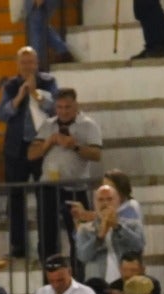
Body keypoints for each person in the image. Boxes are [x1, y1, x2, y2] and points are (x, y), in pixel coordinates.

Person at [28, 88, 102, 272]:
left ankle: (78, 278)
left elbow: (96, 154)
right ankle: (49, 278)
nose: (63, 111)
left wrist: (74, 145)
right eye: (59, 107)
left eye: (67, 107)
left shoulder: (88, 125)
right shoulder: (48, 125)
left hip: (75, 188)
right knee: (47, 237)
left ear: (76, 105)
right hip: (48, 187)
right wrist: (49, 142)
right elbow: (31, 155)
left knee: (78, 235)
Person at [0, 47, 56, 260]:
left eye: (31, 62)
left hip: (42, 146)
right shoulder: (11, 85)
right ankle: (18, 246)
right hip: (16, 148)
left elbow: (55, 108)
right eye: (24, 63)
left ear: (37, 63)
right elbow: (2, 113)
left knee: (46, 198)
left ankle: (47, 247)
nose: (28, 66)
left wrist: (35, 94)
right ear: (17, 65)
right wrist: (19, 97)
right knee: (15, 198)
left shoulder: (48, 81)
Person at [73, 182, 144, 287]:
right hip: (97, 286)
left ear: (118, 201)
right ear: (94, 203)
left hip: (128, 285)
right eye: (101, 200)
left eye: (109, 199)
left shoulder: (133, 225)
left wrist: (117, 227)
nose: (105, 203)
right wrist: (99, 237)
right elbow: (83, 256)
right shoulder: (85, 229)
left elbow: (138, 246)